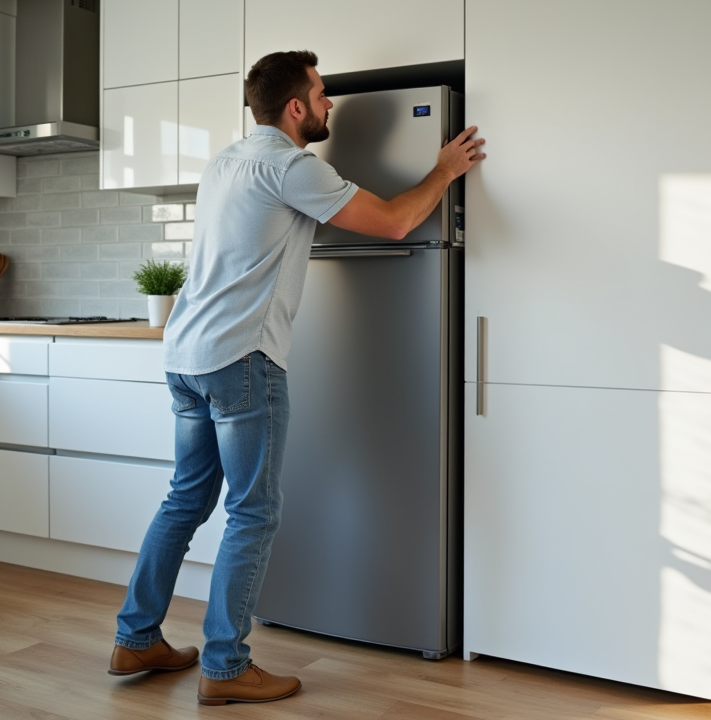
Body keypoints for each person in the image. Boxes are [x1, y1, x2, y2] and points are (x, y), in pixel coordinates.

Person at [108, 50, 485, 706]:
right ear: (295, 108)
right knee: (253, 512)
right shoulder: (290, 166)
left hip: (185, 357)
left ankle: (136, 636)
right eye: (321, 93)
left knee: (185, 501)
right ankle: (225, 666)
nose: (330, 104)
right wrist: (444, 169)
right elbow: (397, 222)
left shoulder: (225, 161)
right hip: (241, 360)